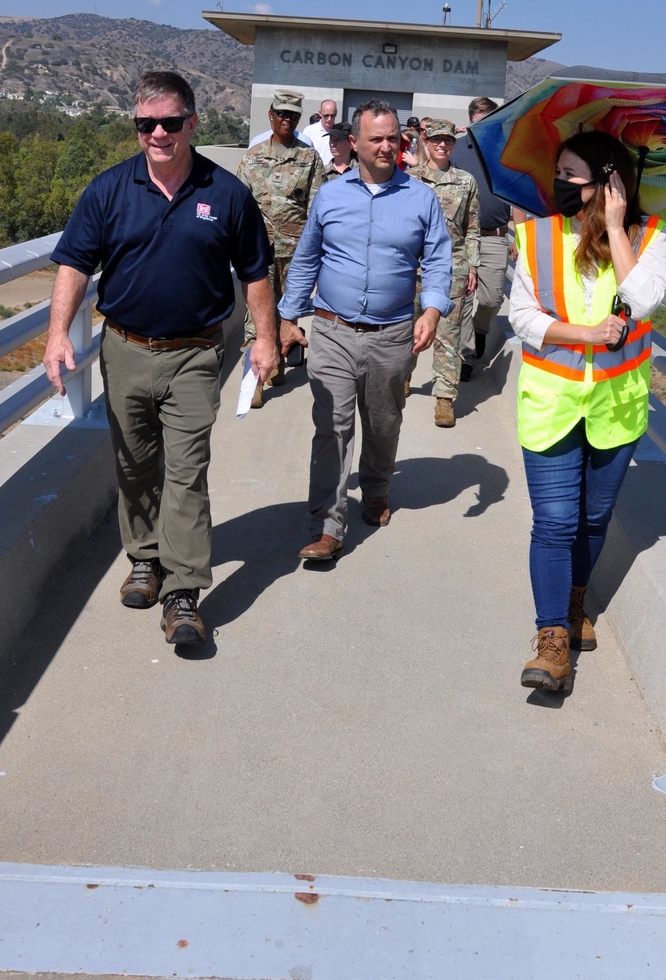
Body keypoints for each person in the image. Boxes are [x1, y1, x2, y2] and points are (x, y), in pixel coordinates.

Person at [43, 71, 277, 647]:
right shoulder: (108, 191)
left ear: (192, 123)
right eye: (146, 124)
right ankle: (144, 558)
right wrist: (57, 334)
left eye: (170, 123)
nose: (158, 134)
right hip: (123, 348)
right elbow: (74, 264)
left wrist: (265, 340)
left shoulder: (226, 194)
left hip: (195, 354)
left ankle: (183, 592)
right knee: (134, 465)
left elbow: (255, 273)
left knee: (186, 470)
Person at [508, 131, 666, 693]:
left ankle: (577, 601)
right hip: (551, 402)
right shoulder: (535, 236)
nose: (561, 183)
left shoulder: (650, 238)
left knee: (594, 519)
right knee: (554, 521)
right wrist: (584, 333)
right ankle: (552, 639)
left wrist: (619, 227)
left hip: (617, 406)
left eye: (573, 174)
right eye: (560, 172)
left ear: (608, 181)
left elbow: (645, 299)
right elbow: (523, 317)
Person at [277, 99, 453, 559]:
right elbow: (306, 259)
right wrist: (287, 318)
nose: (386, 146)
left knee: (383, 422)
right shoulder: (331, 196)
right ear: (353, 143)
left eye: (393, 137)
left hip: (393, 333)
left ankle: (376, 487)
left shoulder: (421, 198)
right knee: (331, 427)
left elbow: (437, 262)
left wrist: (431, 311)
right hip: (333, 330)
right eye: (375, 138)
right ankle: (328, 526)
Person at [237, 89, 323, 408]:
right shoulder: (252, 156)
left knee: (287, 311)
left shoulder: (310, 157)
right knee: (256, 314)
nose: (287, 120)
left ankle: (278, 363)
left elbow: (318, 207)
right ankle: (254, 380)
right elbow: (240, 206)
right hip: (259, 249)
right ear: (271, 115)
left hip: (296, 249)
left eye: (294, 116)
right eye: (282, 114)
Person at [410, 119, 480, 428]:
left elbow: (473, 229)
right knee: (405, 331)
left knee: (448, 335)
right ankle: (401, 377)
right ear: (426, 141)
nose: (442, 145)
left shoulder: (466, 181)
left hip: (452, 267)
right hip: (412, 269)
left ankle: (444, 397)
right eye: (437, 140)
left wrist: (473, 266)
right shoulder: (409, 180)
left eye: (448, 141)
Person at [453, 98, 512, 368]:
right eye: (479, 123)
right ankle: (465, 358)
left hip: (495, 237)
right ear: (470, 122)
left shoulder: (506, 151)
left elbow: (516, 195)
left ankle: (481, 330)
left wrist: (519, 237)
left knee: (491, 298)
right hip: (463, 238)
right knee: (463, 298)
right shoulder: (455, 149)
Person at [301, 98, 338, 166]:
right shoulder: (309, 131)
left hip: (334, 173)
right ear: (320, 114)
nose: (329, 119)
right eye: (326, 116)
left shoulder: (340, 131)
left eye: (332, 116)